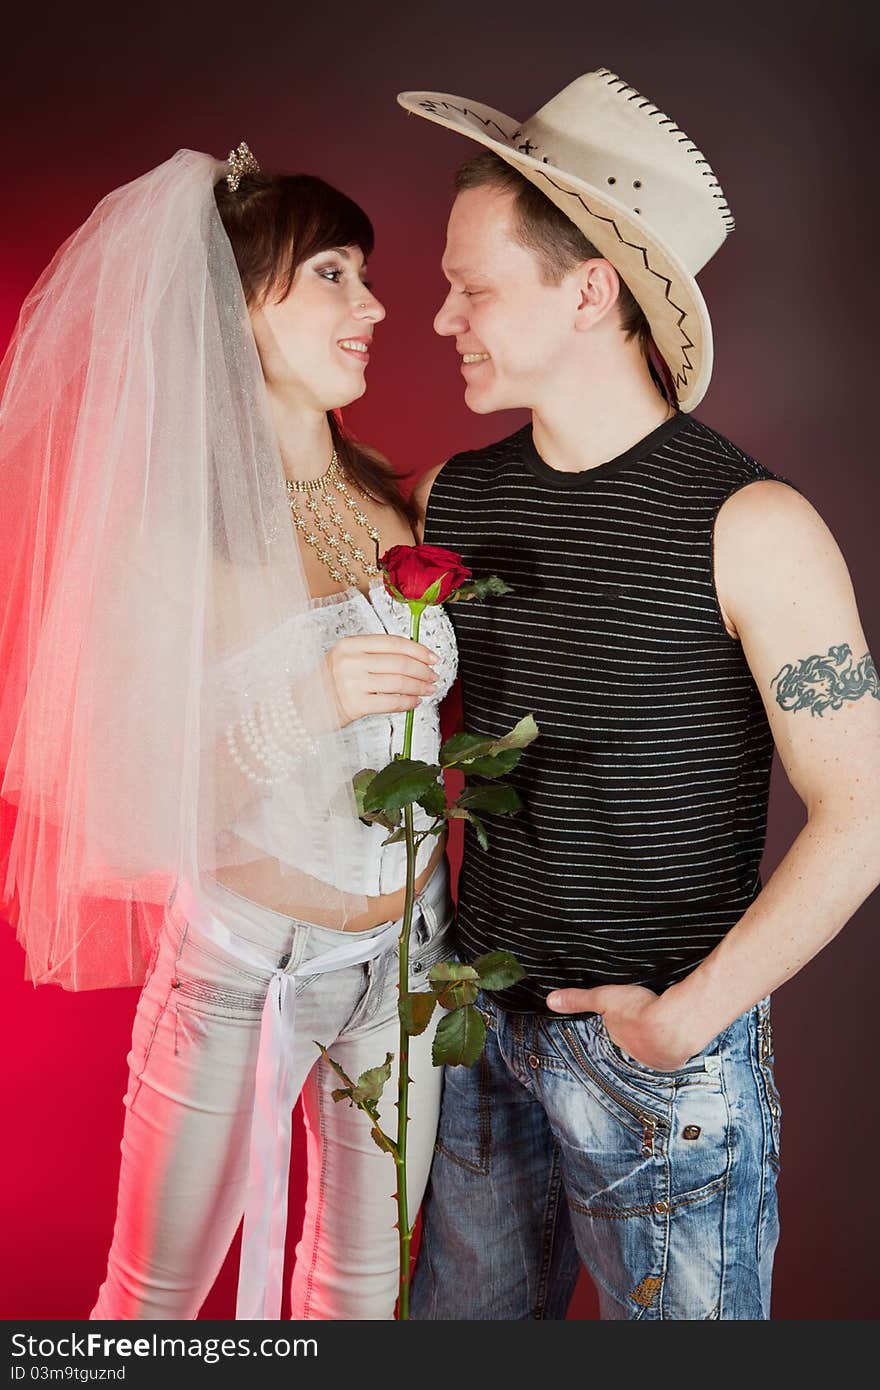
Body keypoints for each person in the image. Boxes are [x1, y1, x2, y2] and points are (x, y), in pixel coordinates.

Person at [397, 68, 880, 1319]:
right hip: (477, 1046)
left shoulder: (753, 522)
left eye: (473, 285)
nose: (441, 315)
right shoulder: (447, 499)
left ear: (589, 289)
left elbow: (865, 809)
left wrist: (684, 1022)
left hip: (663, 1070)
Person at [0, 143, 458, 1320]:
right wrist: (302, 704)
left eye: (366, 276)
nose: (375, 306)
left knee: (365, 1296)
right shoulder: (168, 540)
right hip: (249, 968)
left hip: (409, 962)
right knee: (154, 1301)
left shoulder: (397, 502)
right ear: (238, 303)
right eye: (335, 275)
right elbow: (132, 800)